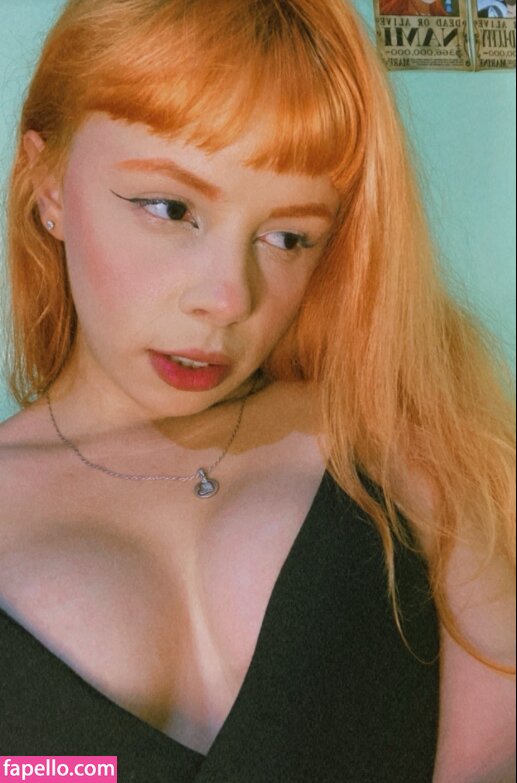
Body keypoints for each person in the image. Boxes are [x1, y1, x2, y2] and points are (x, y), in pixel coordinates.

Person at [0, 0, 514, 780]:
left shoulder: (396, 430)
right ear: (48, 185)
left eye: (286, 237)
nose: (228, 298)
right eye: (171, 209)